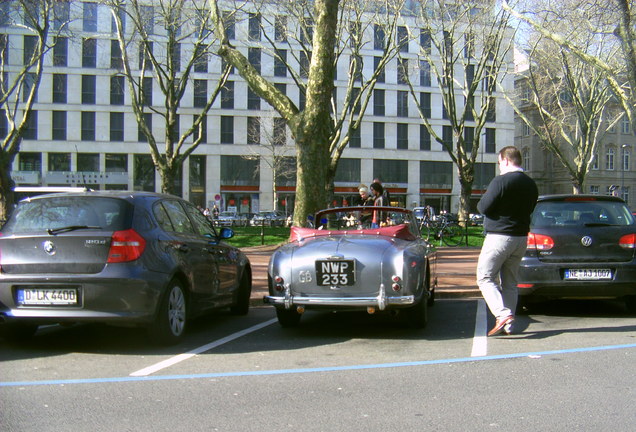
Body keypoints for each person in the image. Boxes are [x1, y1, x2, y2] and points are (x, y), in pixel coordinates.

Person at [476, 146, 538, 336]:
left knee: (484, 277)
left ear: (505, 160)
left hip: (499, 237)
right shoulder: (530, 184)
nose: (499, 166)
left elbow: (483, 207)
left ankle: (502, 314)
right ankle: (509, 325)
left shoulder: (501, 181)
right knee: (510, 282)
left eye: (499, 162)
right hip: (521, 238)